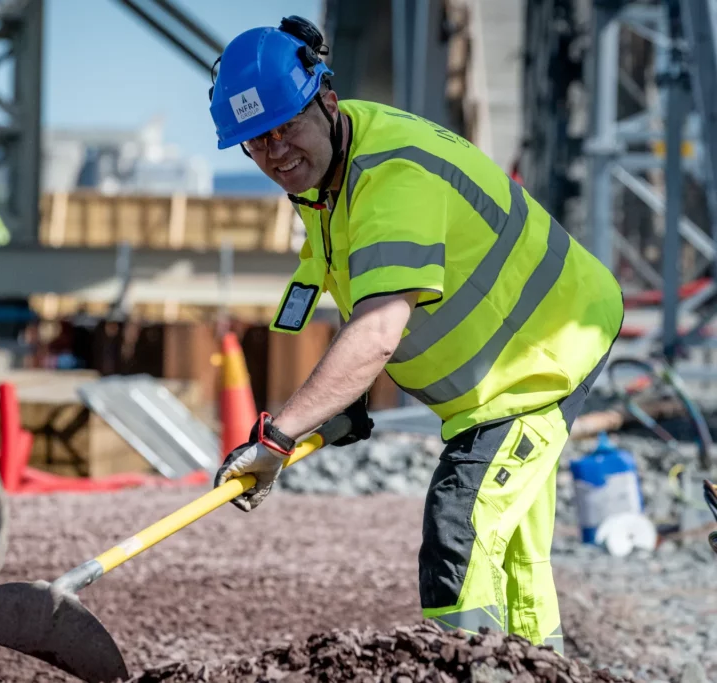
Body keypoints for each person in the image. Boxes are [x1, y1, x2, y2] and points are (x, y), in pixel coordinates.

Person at [208, 16, 625, 655]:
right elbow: (363, 297)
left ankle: (469, 668)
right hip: (501, 371)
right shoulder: (328, 176)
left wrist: (278, 438)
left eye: (285, 127)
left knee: (461, 527)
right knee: (510, 546)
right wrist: (347, 402)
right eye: (255, 143)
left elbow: (376, 331)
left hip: (541, 358)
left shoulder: (392, 177)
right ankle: (540, 667)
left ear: (325, 98)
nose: (274, 153)